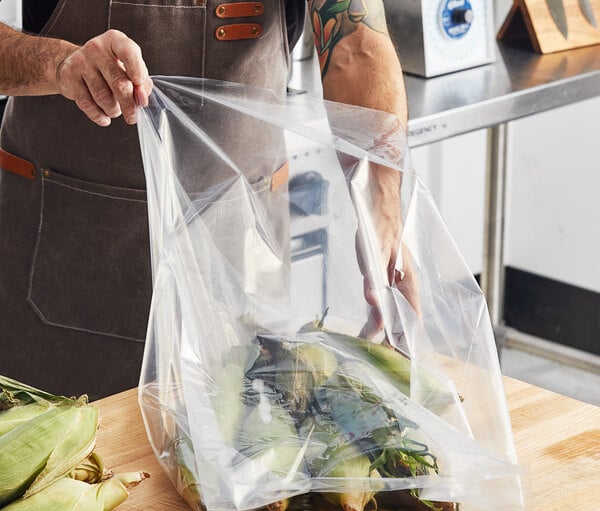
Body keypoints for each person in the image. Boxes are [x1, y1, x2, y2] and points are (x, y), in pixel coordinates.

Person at [0, 0, 411, 400]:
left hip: (241, 266)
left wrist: (383, 204)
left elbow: (355, 44)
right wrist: (59, 64)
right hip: (67, 270)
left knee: (243, 436)